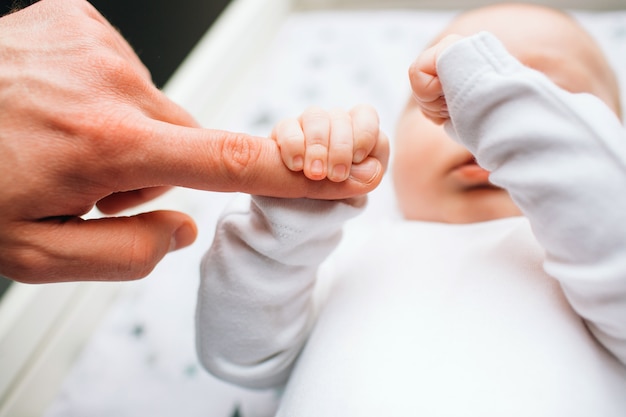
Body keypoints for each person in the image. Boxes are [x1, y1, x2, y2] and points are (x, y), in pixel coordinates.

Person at [196, 3, 626, 415]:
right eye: (445, 97)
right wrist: (288, 223)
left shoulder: (602, 263)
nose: (477, 120)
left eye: (544, 91)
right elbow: (243, 359)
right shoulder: (347, 251)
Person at [0, 0, 385, 284]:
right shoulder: (358, 258)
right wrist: (298, 218)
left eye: (450, 121)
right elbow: (249, 352)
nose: (448, 117)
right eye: (434, 106)